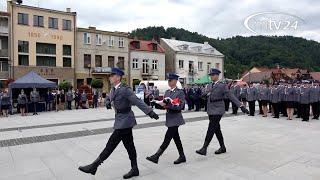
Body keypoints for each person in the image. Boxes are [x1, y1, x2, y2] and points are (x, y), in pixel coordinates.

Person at [78, 68, 159, 179]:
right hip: (120, 119)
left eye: (112, 76)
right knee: (129, 146)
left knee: (111, 143)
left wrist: (150, 112)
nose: (109, 78)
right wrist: (107, 103)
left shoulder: (125, 89)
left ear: (118, 78)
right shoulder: (113, 89)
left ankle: (94, 166)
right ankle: (135, 169)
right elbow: (109, 98)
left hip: (126, 120)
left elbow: (137, 101)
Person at [196, 69, 249, 156]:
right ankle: (222, 147)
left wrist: (241, 106)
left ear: (217, 75)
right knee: (216, 129)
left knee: (211, 127)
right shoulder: (209, 85)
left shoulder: (222, 86)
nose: (211, 76)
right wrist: (204, 96)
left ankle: (204, 148)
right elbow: (206, 96)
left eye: (213, 75)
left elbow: (231, 96)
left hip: (218, 108)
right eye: (210, 75)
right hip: (210, 108)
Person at [146, 74, 186, 165]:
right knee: (176, 138)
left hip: (176, 118)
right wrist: (156, 104)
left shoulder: (180, 92)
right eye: (168, 80)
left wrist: (170, 105)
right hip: (169, 117)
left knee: (167, 138)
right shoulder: (167, 92)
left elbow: (181, 106)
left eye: (170, 80)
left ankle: (156, 156)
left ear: (175, 81)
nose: (169, 82)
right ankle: (182, 156)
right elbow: (164, 106)